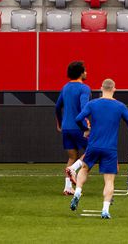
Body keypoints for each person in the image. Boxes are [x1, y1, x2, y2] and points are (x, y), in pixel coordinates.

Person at [69, 79, 128, 220]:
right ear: (114, 89)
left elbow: (78, 118)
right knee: (109, 180)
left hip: (93, 145)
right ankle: (105, 210)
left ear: (101, 88)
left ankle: (77, 192)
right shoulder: (120, 106)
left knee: (84, 169)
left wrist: (85, 129)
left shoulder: (92, 104)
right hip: (110, 148)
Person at [56, 61, 92, 195]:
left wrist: (59, 123)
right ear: (81, 73)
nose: (87, 73)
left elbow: (57, 106)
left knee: (72, 156)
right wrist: (86, 126)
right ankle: (74, 169)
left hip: (66, 128)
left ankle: (67, 187)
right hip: (79, 127)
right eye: (85, 70)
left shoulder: (65, 87)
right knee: (93, 150)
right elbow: (84, 108)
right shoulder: (84, 88)